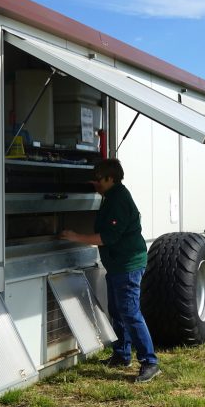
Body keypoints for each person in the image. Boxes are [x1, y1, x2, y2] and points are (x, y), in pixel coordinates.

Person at [60, 158, 160, 383]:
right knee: (117, 309)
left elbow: (107, 237)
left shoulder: (118, 200)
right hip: (117, 264)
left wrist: (76, 237)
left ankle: (150, 362)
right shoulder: (110, 196)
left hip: (128, 264)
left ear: (111, 178)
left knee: (130, 312)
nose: (95, 184)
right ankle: (122, 353)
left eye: (99, 180)